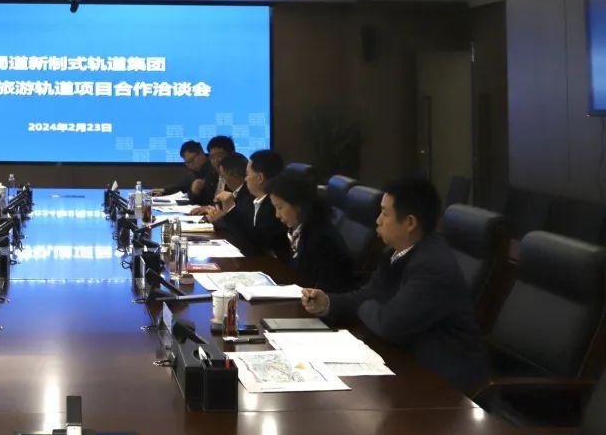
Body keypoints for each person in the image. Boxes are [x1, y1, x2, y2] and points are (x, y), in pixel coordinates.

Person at [301, 178, 489, 394]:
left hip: (447, 383)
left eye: (385, 213)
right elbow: (369, 294)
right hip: (408, 361)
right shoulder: (398, 252)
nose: (378, 220)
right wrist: (328, 303)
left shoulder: (432, 266)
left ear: (410, 223)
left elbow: (389, 323)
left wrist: (365, 305)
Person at [267, 170, 355, 292]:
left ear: (298, 205)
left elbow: (322, 290)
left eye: (280, 207)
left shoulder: (322, 240)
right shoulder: (299, 228)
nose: (277, 215)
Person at [208, 150, 288, 258]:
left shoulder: (273, 207)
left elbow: (254, 246)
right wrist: (222, 219)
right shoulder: (251, 200)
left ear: (260, 178)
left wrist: (230, 209)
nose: (245, 179)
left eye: (247, 174)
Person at [153, 140, 219, 205]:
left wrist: (194, 192)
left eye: (192, 160)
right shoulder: (194, 171)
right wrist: (164, 190)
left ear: (201, 153)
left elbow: (208, 200)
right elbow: (182, 185)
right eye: (187, 162)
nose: (190, 165)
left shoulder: (214, 167)